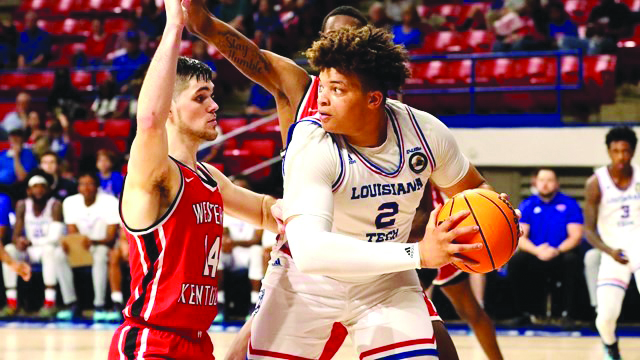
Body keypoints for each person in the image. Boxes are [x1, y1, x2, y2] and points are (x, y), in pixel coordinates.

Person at [183, 4, 503, 359]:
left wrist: (493, 218)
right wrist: (204, 24)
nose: (335, 46)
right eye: (329, 38)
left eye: (345, 37)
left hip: (384, 267)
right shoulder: (304, 103)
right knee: (242, 350)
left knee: (441, 350)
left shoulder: (419, 130)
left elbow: (469, 192)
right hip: (310, 264)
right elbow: (254, 57)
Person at [107, 1, 279, 357]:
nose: (214, 106)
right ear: (170, 108)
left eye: (213, 96)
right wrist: (174, 26)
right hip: (152, 340)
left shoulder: (210, 178)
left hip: (198, 342)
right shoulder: (157, 175)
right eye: (201, 97)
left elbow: (266, 212)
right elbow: (150, 122)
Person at [584, 126, 640, 360]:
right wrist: (609, 251)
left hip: (638, 247)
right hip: (613, 252)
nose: (620, 156)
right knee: (605, 318)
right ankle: (611, 347)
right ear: (609, 151)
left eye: (625, 151)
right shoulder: (596, 182)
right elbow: (588, 230)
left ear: (633, 151)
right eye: (615, 151)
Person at [509, 168, 583, 322]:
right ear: (535, 183)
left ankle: (567, 314)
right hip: (536, 253)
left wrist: (556, 250)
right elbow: (521, 236)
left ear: (556, 183)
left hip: (560, 253)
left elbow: (575, 236)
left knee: (572, 261)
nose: (545, 184)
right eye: (541, 180)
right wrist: (536, 251)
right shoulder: (528, 204)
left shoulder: (569, 204)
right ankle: (522, 313)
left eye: (549, 180)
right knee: (517, 262)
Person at [55, 172, 119, 321]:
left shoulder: (110, 202)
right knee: (59, 254)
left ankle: (99, 304)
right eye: (82, 184)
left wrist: (93, 241)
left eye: (90, 184)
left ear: (97, 186)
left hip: (103, 245)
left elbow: (110, 238)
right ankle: (71, 303)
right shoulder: (70, 202)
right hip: (82, 246)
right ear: (78, 187)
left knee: (100, 255)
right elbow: (72, 232)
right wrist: (70, 244)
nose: (86, 188)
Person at [1, 174, 63, 318]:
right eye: (35, 187)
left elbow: (54, 238)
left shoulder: (55, 205)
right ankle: (12, 303)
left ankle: (50, 302)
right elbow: (15, 235)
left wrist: (30, 242)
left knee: (49, 250)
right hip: (29, 249)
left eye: (42, 187)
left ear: (48, 190)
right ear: (29, 190)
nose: (39, 190)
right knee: (9, 250)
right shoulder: (23, 204)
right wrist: (19, 241)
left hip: (47, 248)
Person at [217, 176, 265, 321]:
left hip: (248, 254)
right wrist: (227, 242)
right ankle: (219, 303)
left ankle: (253, 302)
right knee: (216, 253)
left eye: (243, 188)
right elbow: (224, 236)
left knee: (257, 251)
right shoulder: (225, 211)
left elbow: (256, 239)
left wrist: (234, 243)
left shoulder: (256, 211)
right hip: (231, 254)